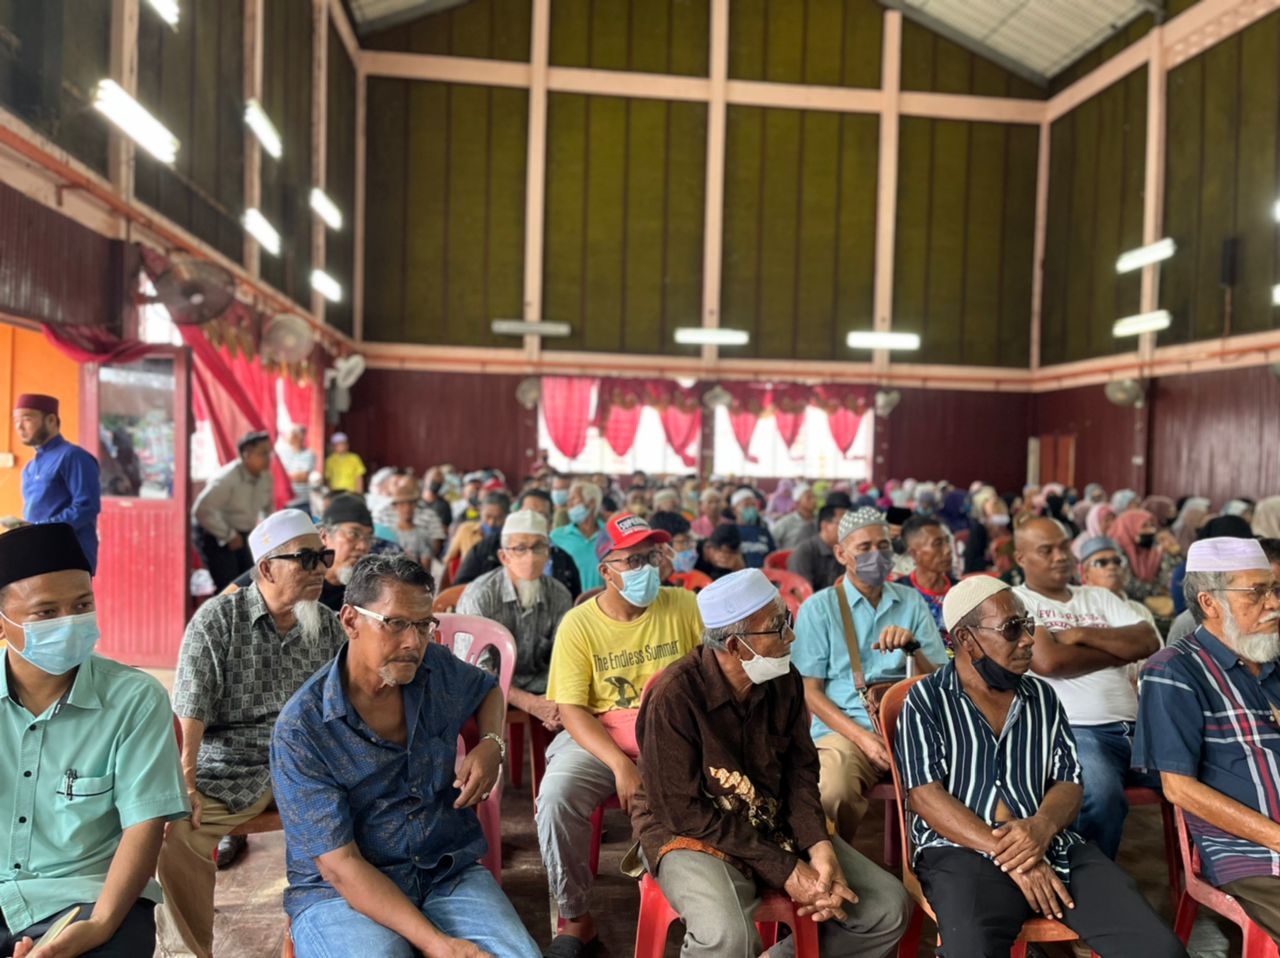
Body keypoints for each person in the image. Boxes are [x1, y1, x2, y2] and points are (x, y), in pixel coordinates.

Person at [897, 576, 1186, 957]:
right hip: (961, 849)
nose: (1029, 639)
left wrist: (1040, 828)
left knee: (1159, 949)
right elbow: (925, 797)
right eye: (1012, 629)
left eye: (1029, 625)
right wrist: (1014, 856)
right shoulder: (926, 699)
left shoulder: (1042, 697)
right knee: (972, 949)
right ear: (966, 639)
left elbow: (1069, 781)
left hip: (1053, 845)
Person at [270, 555, 539, 958]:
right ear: (349, 621)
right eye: (394, 623)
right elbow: (340, 865)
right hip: (342, 892)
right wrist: (439, 946)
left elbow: (487, 689)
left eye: (423, 624)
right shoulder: (302, 729)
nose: (413, 642)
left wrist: (491, 745)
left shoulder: (435, 668)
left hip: (443, 868)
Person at [632, 569, 911, 958]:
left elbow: (801, 772)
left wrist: (819, 846)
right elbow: (681, 810)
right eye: (778, 627)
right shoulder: (674, 697)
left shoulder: (784, 680)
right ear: (736, 645)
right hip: (692, 832)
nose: (791, 637)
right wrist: (785, 868)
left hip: (769, 820)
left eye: (787, 621)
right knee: (730, 938)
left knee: (886, 909)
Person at [157, 510, 348, 958]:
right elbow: (191, 706)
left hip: (306, 765)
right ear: (266, 568)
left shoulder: (327, 626)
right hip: (228, 766)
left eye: (324, 556)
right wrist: (185, 779)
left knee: (364, 816)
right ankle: (187, 953)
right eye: (306, 559)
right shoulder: (217, 621)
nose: (320, 569)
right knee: (175, 832)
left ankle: (336, 940)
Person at [0, 523, 187, 957]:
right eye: (46, 612)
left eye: (82, 605)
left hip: (87, 900)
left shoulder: (134, 700)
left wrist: (100, 925)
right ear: (4, 622)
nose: (69, 623)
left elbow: (144, 827)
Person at [538, 513, 703, 957]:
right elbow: (572, 709)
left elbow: (713, 678)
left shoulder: (685, 606)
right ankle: (575, 920)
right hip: (597, 735)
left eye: (651, 556)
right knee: (556, 796)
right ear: (605, 570)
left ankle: (701, 907)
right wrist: (619, 765)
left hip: (672, 734)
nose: (646, 568)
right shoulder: (580, 625)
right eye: (632, 561)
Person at [1134, 537, 1280, 945]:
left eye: (1275, 589)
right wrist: (1276, 838)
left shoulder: (1273, 661)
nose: (1273, 603)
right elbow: (1179, 788)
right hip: (1255, 852)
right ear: (1211, 603)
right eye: (1257, 592)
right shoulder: (1174, 671)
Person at [792, 507, 948, 842]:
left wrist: (913, 649)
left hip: (912, 729)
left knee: (964, 779)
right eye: (864, 548)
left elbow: (938, 677)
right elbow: (810, 692)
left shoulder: (911, 602)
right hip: (847, 731)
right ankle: (833, 867)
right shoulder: (820, 608)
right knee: (833, 791)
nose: (876, 555)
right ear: (841, 553)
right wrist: (862, 738)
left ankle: (933, 870)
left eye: (883, 546)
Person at [1011, 518, 1161, 860]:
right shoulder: (1016, 601)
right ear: (1021, 558)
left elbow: (1147, 640)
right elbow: (1049, 662)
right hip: (1076, 732)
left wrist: (1079, 635)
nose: (1060, 557)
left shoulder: (1097, 597)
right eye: (1046, 551)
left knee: (1208, 777)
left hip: (1140, 732)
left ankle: (1226, 874)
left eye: (1064, 547)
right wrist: (1116, 650)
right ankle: (1089, 884)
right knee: (1101, 796)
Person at [457, 510, 573, 733]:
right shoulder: (480, 595)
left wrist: (555, 702)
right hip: (489, 689)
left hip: (542, 686)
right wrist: (530, 703)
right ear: (504, 556)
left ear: (548, 553)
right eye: (520, 548)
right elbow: (475, 670)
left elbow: (565, 658)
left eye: (538, 547)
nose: (530, 556)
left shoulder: (560, 595)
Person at [229, 493, 375, 612]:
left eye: (369, 538)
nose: (363, 546)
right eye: (353, 534)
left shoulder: (365, 589)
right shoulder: (286, 565)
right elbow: (225, 601)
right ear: (324, 536)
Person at [12, 394, 101, 575]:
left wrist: (40, 528)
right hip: (38, 554)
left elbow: (87, 506)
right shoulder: (30, 467)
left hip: (68, 557)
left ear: (51, 420)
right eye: (16, 420)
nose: (19, 427)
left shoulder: (73, 457)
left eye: (27, 419)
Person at [455, 489, 582, 597]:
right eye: (528, 513)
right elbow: (459, 588)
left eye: (541, 515)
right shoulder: (488, 548)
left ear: (549, 523)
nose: (532, 520)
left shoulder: (563, 561)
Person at [191, 431, 275, 591]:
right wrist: (228, 535)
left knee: (250, 581)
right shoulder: (226, 478)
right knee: (228, 585)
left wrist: (269, 535)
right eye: (262, 453)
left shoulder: (266, 477)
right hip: (216, 533)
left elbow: (268, 508)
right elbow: (201, 510)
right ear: (246, 455)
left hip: (244, 534)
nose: (268, 458)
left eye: (269, 453)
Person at [900, 514, 958, 647]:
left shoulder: (961, 591)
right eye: (937, 544)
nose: (948, 550)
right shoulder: (899, 593)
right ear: (914, 554)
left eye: (947, 541)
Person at [549, 480, 606, 593]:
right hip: (568, 603)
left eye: (574, 499)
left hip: (603, 604)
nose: (568, 504)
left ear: (591, 503)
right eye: (568, 500)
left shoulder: (610, 535)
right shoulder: (557, 536)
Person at [787, 502, 847, 591]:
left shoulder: (846, 550)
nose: (847, 529)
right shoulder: (804, 552)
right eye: (843, 524)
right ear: (825, 526)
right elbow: (801, 593)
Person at [728, 488, 776, 568]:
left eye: (753, 505)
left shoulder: (763, 531)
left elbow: (772, 557)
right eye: (746, 505)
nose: (751, 509)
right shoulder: (730, 531)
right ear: (734, 510)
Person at [769, 483, 817, 551]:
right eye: (809, 498)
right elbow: (770, 539)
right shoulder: (786, 522)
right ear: (797, 502)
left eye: (814, 497)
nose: (814, 500)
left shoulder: (820, 521)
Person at [277, 425, 316, 504]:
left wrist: (283, 478)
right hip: (285, 500)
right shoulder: (282, 453)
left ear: (298, 436)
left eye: (290, 433)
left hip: (302, 500)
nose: (287, 435)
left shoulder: (309, 454)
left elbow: (303, 477)